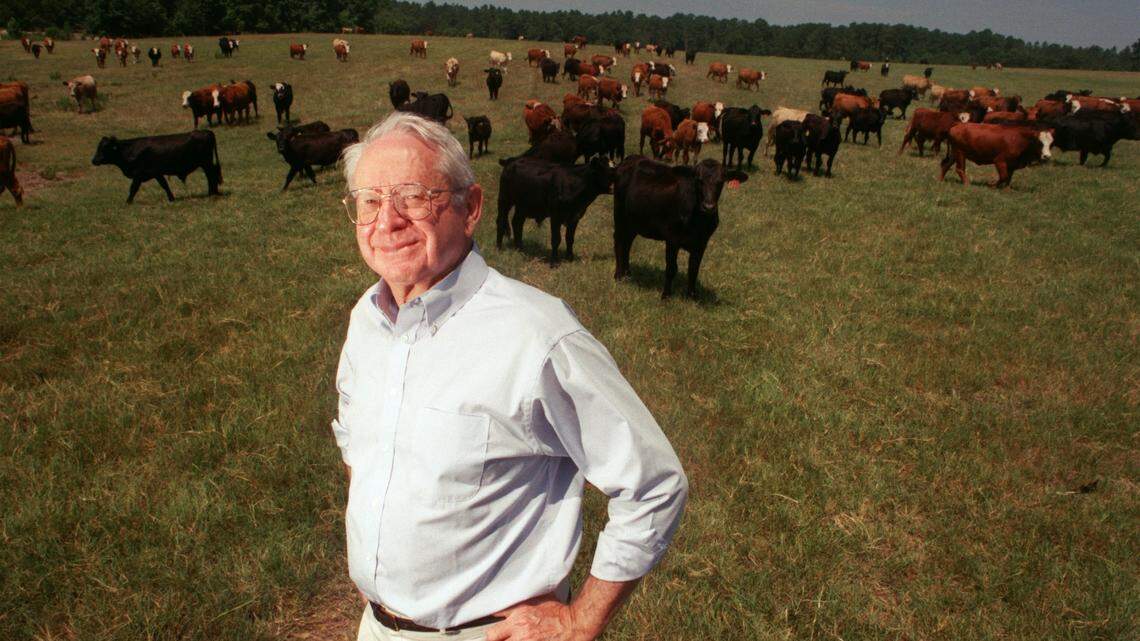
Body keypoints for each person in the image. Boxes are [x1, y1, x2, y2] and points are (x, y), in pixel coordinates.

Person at [331, 112, 688, 641]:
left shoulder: (537, 336)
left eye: (412, 196)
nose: (387, 222)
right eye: (369, 201)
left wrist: (580, 620)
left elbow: (654, 484)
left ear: (470, 208)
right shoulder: (367, 319)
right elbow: (358, 449)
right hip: (377, 627)